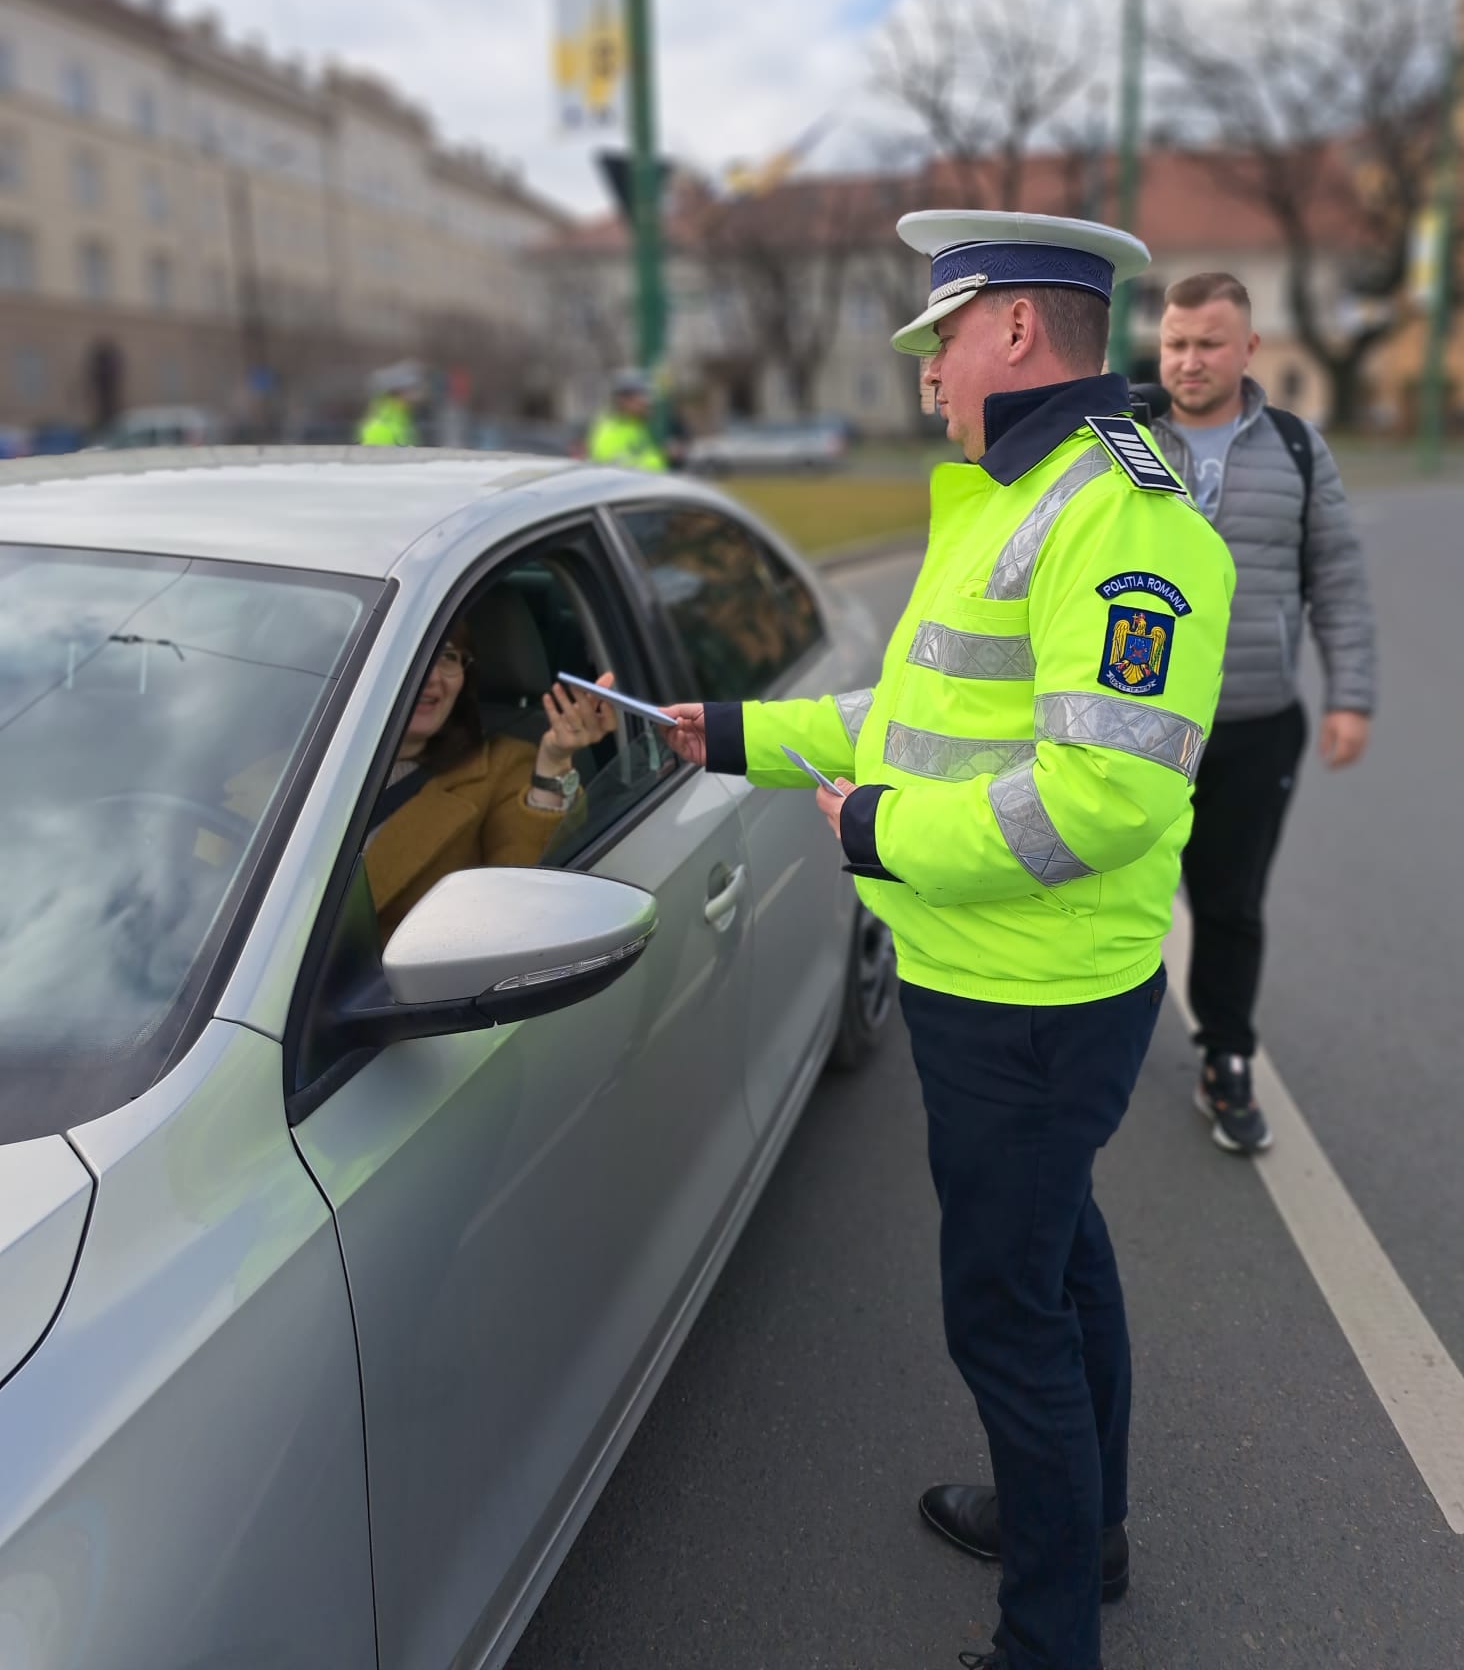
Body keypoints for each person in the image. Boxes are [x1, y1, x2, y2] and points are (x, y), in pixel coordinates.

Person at [663, 211, 1235, 1670]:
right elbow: (903, 725)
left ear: (1018, 330)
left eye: (940, 339)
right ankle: (1084, 1529)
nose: (923, 372)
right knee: (1057, 1259)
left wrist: (877, 838)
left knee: (1005, 1314)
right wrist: (720, 731)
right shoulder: (1001, 496)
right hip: (995, 981)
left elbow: (1104, 794)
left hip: (1033, 994)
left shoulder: (1120, 513)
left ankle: (1051, 1637)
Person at [1150, 271, 1376, 1153]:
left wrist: (1349, 696)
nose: (1189, 360)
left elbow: (1340, 581)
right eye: (1175, 343)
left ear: (1249, 349)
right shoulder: (1123, 437)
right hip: (1135, 727)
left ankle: (1225, 1055)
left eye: (1209, 343)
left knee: (1230, 904)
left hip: (1252, 723)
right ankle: (1094, 1047)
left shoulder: (1294, 446)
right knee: (1104, 894)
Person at [365, 618, 616, 940]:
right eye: (413, 656)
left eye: (448, 657)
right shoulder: (298, 758)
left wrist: (554, 761)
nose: (432, 677)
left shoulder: (501, 764)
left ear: (464, 678)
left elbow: (523, 892)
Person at [585, 368, 667, 470]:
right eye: (642, 396)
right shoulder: (610, 433)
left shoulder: (636, 427)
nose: (647, 403)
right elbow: (620, 473)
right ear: (623, 400)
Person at [358, 364, 424, 447]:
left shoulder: (400, 417)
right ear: (398, 394)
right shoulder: (382, 425)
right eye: (410, 390)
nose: (415, 395)